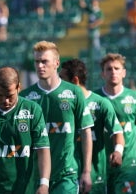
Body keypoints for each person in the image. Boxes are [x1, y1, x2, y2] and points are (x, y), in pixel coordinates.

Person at [19, 41, 94, 194]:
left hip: (66, 174)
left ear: (56, 63)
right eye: (37, 62)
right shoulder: (26, 97)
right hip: (35, 176)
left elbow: (86, 132)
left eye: (44, 61)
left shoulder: (74, 92)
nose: (40, 66)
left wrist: (86, 171)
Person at [59, 59, 125, 194]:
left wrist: (118, 151)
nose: (59, 84)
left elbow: (117, 132)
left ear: (75, 81)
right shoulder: (60, 103)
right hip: (65, 175)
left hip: (95, 175)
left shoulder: (100, 103)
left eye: (62, 79)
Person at [94, 53, 136, 193]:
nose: (113, 72)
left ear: (124, 72)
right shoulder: (94, 98)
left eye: (117, 68)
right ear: (102, 74)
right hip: (101, 165)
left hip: (128, 164)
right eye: (109, 69)